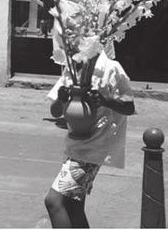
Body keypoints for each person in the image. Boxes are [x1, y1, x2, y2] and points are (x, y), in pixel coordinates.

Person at [44, 50, 135, 228]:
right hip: (73, 146)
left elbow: (129, 106)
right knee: (73, 206)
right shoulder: (71, 68)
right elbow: (55, 111)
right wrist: (62, 99)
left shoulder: (111, 68)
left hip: (93, 148)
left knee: (54, 201)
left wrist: (106, 101)